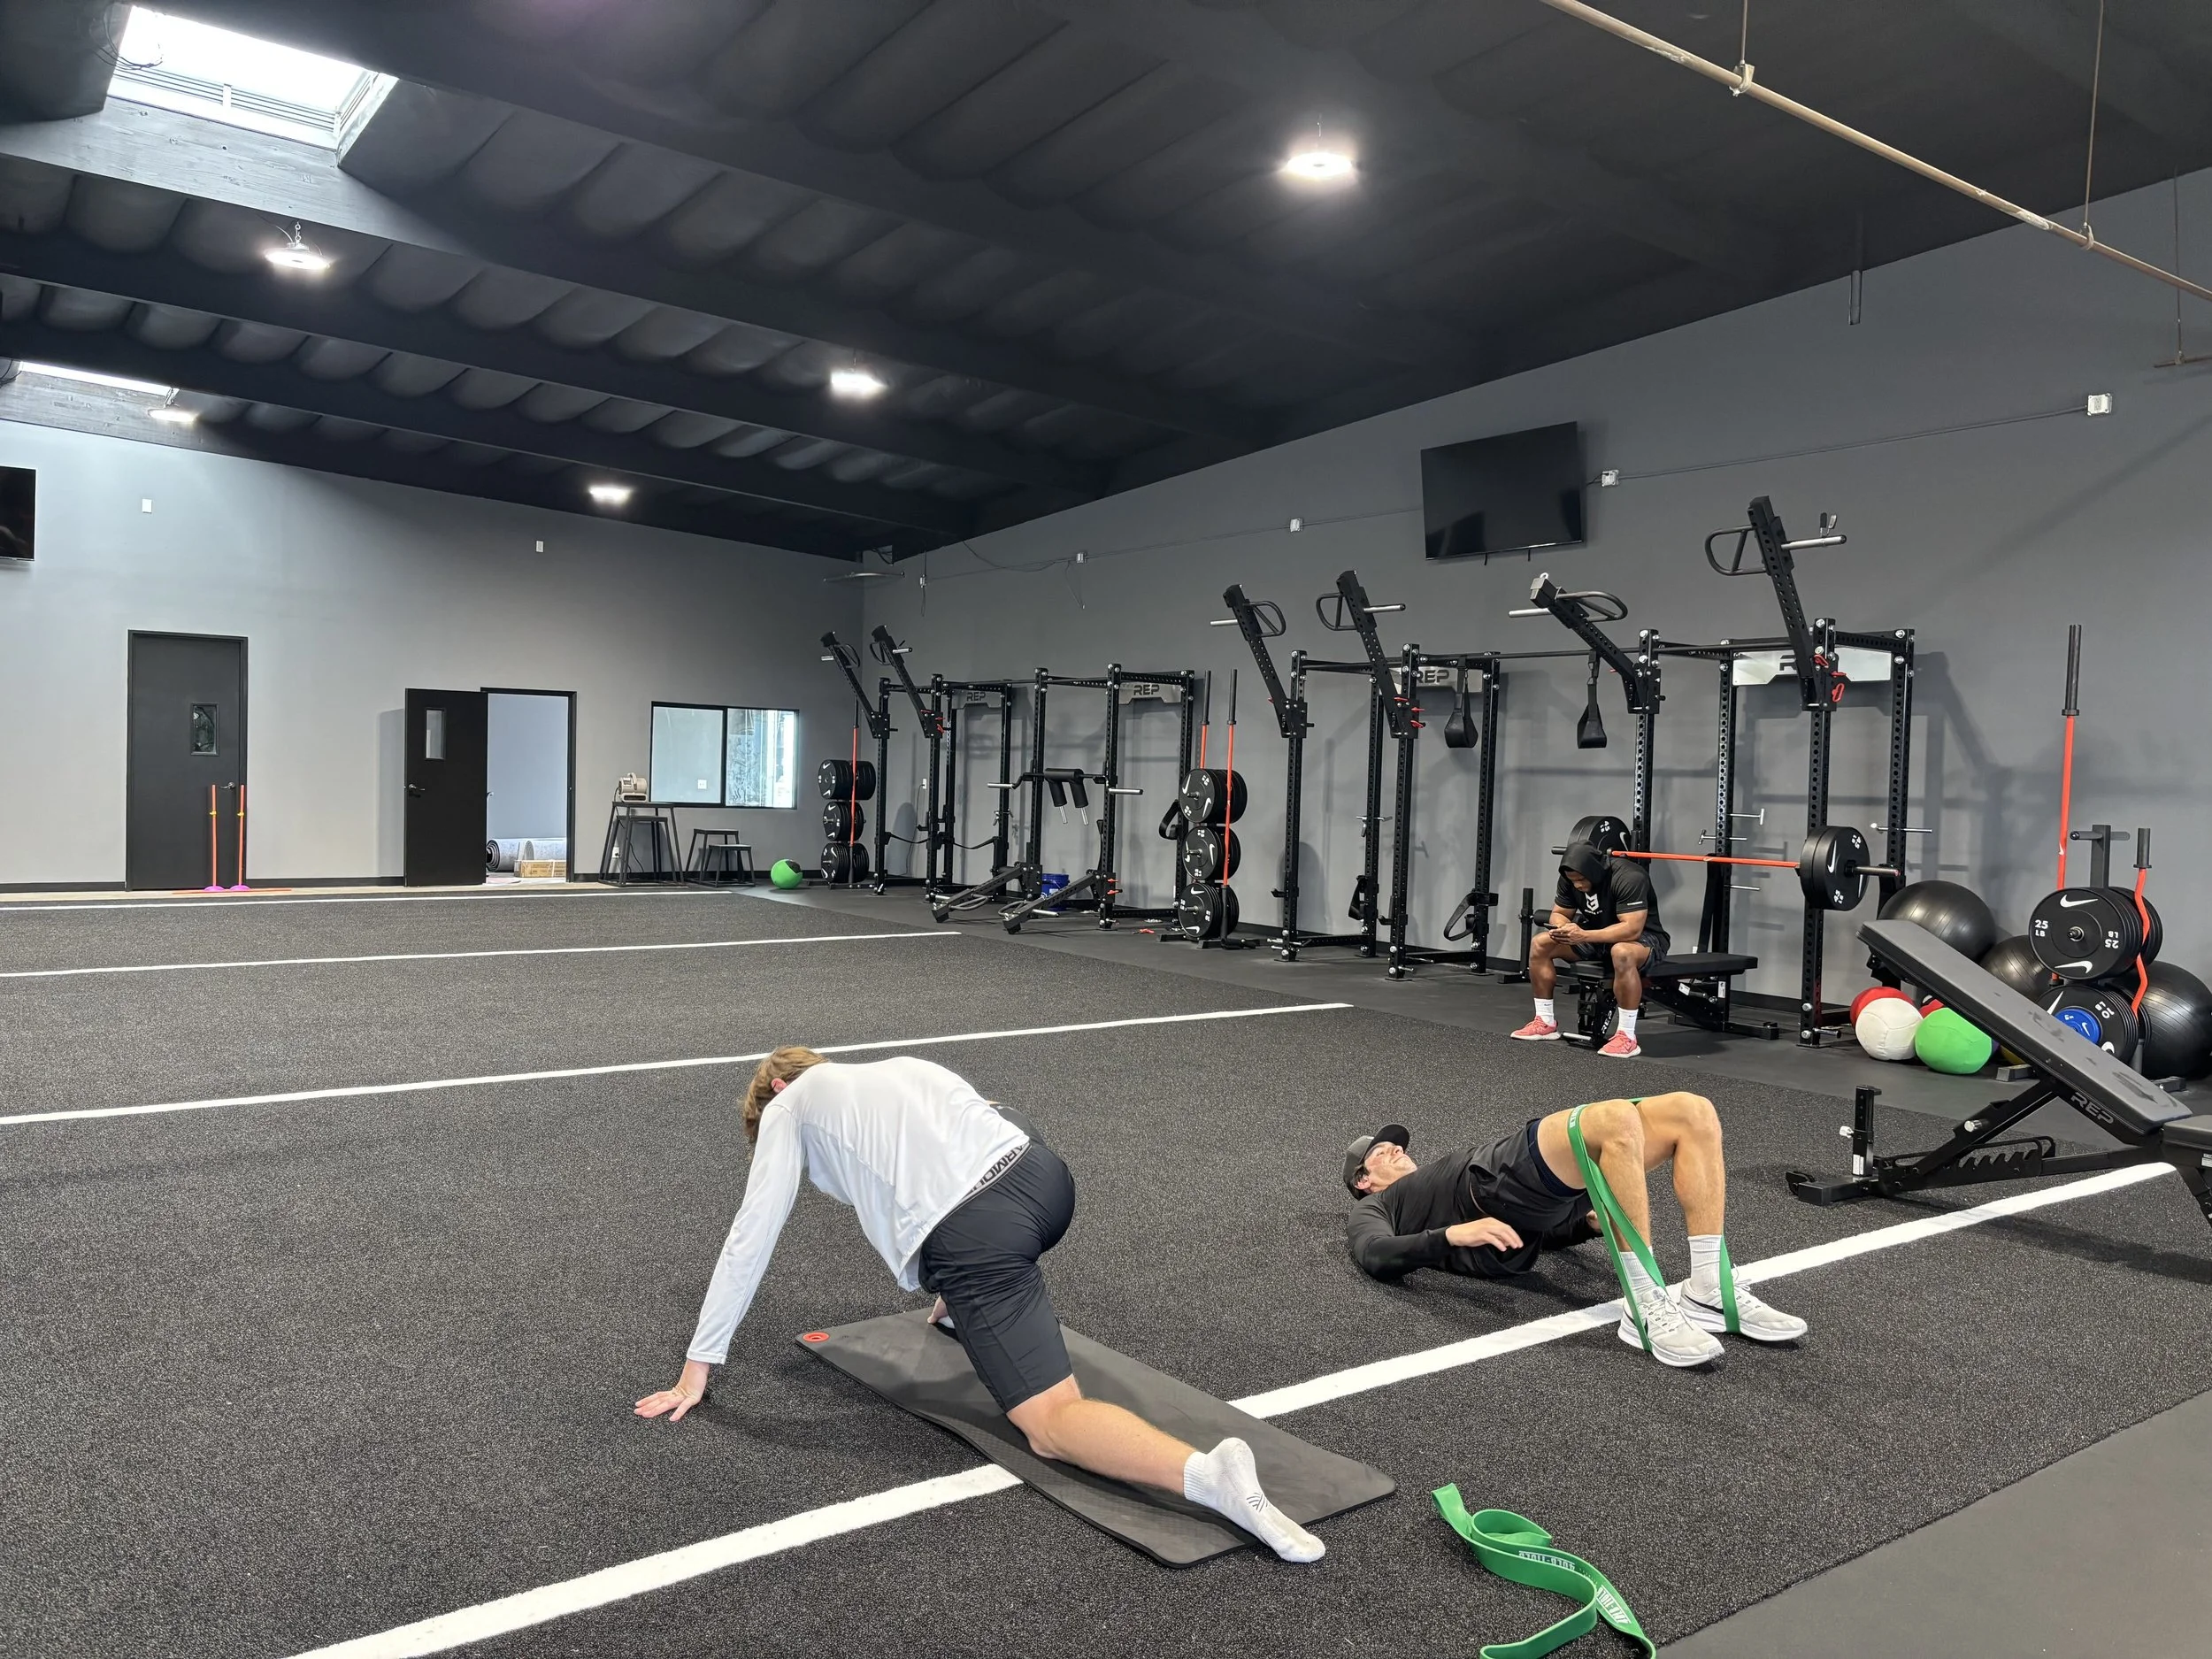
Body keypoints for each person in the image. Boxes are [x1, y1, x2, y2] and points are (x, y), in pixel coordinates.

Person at [637, 1047, 1325, 1563]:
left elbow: (751, 1234)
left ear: (777, 1091)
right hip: (1044, 1181)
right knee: (974, 1220)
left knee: (1050, 1423)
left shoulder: (787, 1106)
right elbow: (980, 1127)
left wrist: (698, 1366)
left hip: (981, 1234)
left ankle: (1211, 1475)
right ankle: (972, 1290)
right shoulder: (899, 1070)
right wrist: (954, 1291)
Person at [1341, 1093, 1807, 1368]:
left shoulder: (1426, 1186)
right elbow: (1373, 1253)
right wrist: (1451, 1236)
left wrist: (1583, 1228)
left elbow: (1535, 1232)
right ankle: (1643, 1303)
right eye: (1381, 1152)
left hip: (1528, 1203)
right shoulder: (1375, 1206)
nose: (1396, 1150)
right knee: (1613, 1119)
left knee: (1693, 1111)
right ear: (1362, 1181)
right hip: (1487, 1181)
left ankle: (1709, 1286)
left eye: (1396, 1146)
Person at [1513, 840, 1670, 1056]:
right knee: (1541, 943)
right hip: (1595, 935)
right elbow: (1559, 913)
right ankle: (1545, 1021)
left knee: (1621, 951)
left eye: (1581, 880)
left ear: (1594, 871)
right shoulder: (1569, 877)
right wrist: (1564, 928)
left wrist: (1583, 935)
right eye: (1573, 881)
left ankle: (1626, 1036)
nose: (1577, 885)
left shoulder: (1630, 877)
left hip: (1644, 939)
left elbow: (1632, 929)